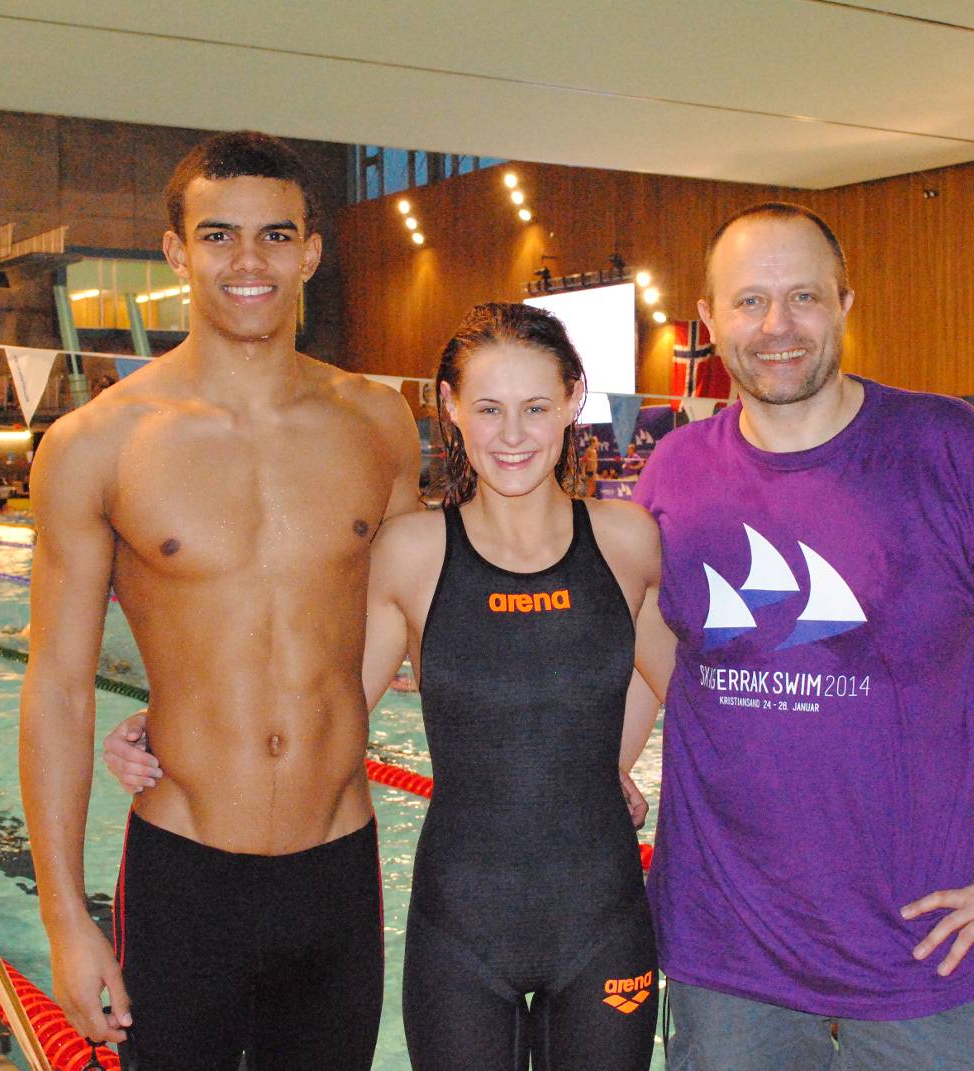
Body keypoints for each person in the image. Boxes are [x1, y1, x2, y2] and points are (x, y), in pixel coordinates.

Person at [107, 303, 667, 1071]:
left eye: (536, 407)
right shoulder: (414, 551)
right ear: (450, 407)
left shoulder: (628, 540)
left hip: (603, 924)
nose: (512, 434)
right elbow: (324, 697)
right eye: (489, 408)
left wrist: (613, 759)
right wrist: (172, 722)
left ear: (575, 400)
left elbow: (690, 684)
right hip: (460, 937)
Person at [629, 202, 974, 1070]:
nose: (777, 326)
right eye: (749, 301)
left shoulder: (945, 445)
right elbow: (659, 645)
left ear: (845, 303)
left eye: (804, 296)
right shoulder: (676, 469)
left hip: (924, 951)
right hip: (726, 956)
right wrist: (606, 764)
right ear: (709, 319)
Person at [18, 131, 420, 1071]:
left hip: (338, 868)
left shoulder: (379, 423)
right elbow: (58, 688)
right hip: (184, 873)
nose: (249, 261)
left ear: (310, 251)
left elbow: (417, 618)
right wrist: (65, 918)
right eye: (218, 235)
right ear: (176, 251)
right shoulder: (96, 443)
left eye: (275, 235)